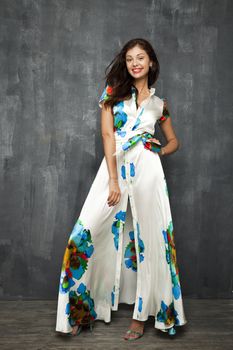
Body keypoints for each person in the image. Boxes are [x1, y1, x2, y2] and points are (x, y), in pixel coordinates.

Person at [55, 38, 188, 341]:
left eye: (140, 58)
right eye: (129, 59)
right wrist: (113, 180)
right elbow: (107, 134)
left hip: (148, 170)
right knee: (85, 232)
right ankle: (79, 311)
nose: (134, 63)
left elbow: (174, 141)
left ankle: (142, 317)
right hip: (114, 169)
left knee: (149, 240)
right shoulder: (112, 95)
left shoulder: (159, 105)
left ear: (151, 62)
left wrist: (161, 150)